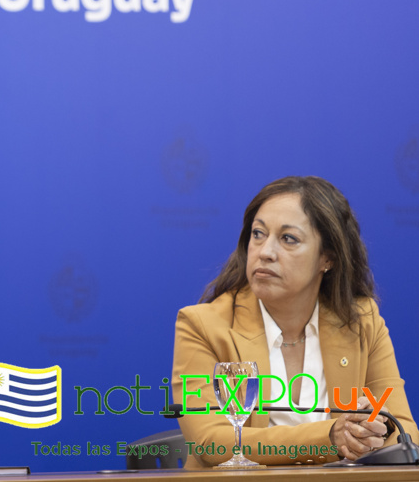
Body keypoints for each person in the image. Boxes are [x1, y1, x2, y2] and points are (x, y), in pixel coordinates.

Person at [172, 176, 417, 468]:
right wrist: (329, 437)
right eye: (258, 234)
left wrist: (371, 433)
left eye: (288, 239)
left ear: (328, 257)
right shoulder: (202, 326)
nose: (265, 252)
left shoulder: (361, 322)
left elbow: (404, 431)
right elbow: (210, 442)